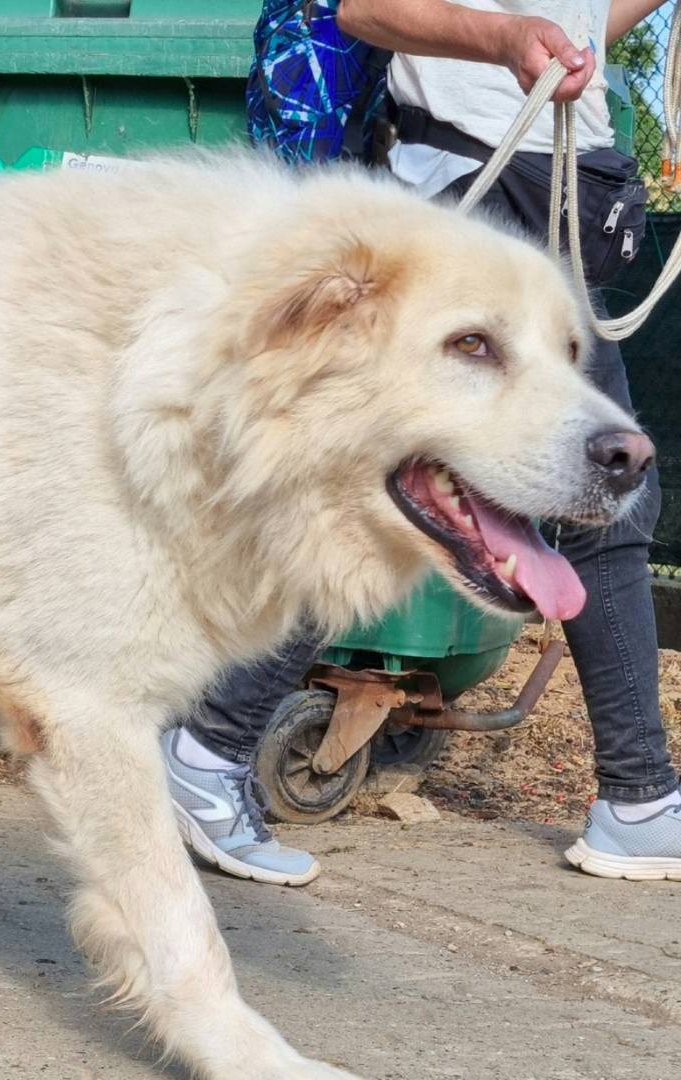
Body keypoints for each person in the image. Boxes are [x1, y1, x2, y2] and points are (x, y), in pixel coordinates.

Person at [164, 0, 678, 887]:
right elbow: (364, 8)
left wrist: (573, 33)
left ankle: (640, 799)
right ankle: (205, 753)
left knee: (590, 497)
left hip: (555, 180)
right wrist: (506, 40)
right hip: (483, 183)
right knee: (398, 489)